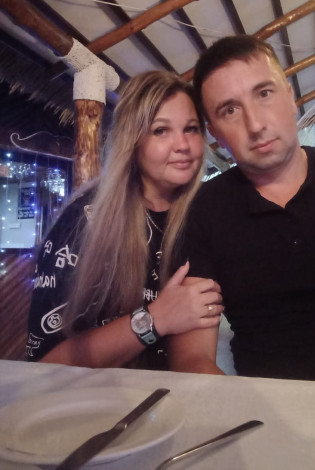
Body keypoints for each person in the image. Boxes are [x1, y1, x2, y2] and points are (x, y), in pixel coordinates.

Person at [168, 35, 315, 384]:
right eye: (230, 110)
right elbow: (193, 358)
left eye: (264, 93)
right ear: (215, 135)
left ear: (290, 97)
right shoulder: (202, 212)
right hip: (267, 408)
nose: (255, 124)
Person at [25, 70, 223, 369]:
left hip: (172, 395)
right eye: (161, 130)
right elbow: (45, 363)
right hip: (92, 396)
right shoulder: (85, 218)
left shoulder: (203, 216)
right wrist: (156, 318)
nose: (182, 144)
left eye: (191, 129)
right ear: (133, 140)